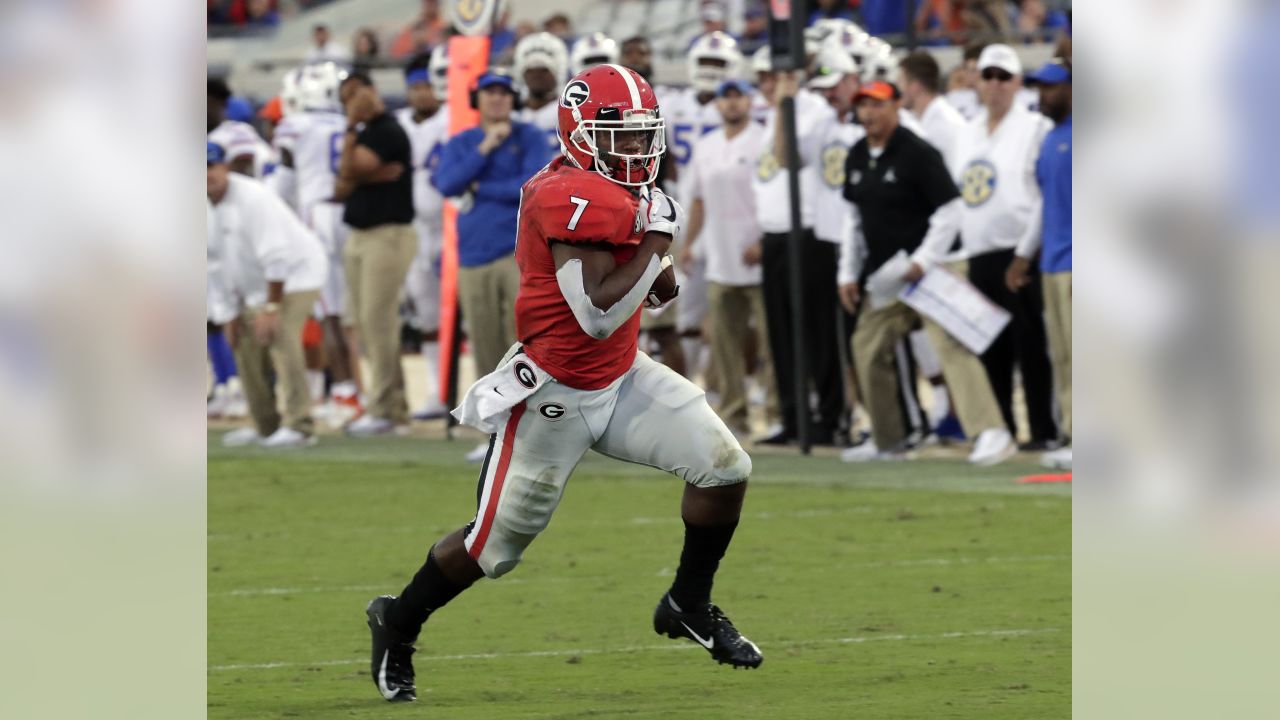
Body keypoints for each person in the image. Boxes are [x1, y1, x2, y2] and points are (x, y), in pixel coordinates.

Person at [363, 64, 761, 704]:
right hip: (552, 393)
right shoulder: (564, 193)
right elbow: (598, 313)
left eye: (643, 137)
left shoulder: (616, 188)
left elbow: (651, 287)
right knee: (493, 547)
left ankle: (688, 601)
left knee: (724, 468)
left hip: (621, 376)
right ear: (580, 131)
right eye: (621, 138)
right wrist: (657, 237)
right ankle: (398, 619)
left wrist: (652, 256)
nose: (636, 151)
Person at [838, 81, 1015, 464]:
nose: (868, 113)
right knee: (866, 346)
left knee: (951, 344)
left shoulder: (917, 151)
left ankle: (991, 432)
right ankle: (891, 439)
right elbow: (853, 219)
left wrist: (924, 259)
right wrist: (846, 273)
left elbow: (950, 209)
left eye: (877, 105)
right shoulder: (856, 155)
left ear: (898, 106)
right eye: (863, 105)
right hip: (888, 274)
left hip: (935, 268)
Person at [432, 71, 552, 460]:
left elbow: (530, 185)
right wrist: (486, 147)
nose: (497, 100)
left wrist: (481, 187)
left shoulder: (529, 136)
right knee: (484, 345)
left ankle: (536, 428)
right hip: (473, 255)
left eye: (504, 93)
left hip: (518, 253)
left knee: (524, 344)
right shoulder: (465, 142)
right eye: (490, 93)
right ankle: (496, 432)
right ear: (476, 99)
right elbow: (447, 182)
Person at [953, 44, 1058, 449]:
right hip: (978, 252)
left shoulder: (1034, 127)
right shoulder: (967, 131)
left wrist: (1023, 253)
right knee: (990, 349)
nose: (995, 85)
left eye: (1003, 77)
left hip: (1020, 251)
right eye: (988, 76)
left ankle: (1043, 431)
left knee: (1032, 346)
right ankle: (1003, 432)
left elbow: (1042, 193)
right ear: (977, 82)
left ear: (1017, 83)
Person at [207, 142, 328, 448]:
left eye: (211, 166)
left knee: (280, 335)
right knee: (242, 343)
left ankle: (299, 426)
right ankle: (266, 426)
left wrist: (272, 308)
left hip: (297, 274)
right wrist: (228, 313)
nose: (206, 175)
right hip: (252, 285)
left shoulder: (253, 198)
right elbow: (210, 265)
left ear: (224, 167)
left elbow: (277, 255)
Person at [753, 55, 842, 446]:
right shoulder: (764, 119)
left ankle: (830, 414)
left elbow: (786, 157)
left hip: (807, 232)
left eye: (774, 76)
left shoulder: (815, 112)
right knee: (781, 332)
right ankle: (793, 415)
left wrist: (787, 104)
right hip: (774, 236)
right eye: (764, 77)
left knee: (817, 330)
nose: (769, 84)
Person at [681, 78, 778, 437]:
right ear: (718, 104)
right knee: (724, 344)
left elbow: (775, 193)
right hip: (720, 259)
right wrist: (689, 243)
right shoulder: (706, 146)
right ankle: (735, 414)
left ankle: (774, 411)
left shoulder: (763, 140)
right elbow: (698, 199)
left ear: (749, 102)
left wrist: (765, 240)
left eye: (739, 97)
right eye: (727, 97)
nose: (733, 104)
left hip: (757, 258)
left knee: (771, 342)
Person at [273, 63, 366, 425]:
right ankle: (353, 390)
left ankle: (345, 391)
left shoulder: (293, 126)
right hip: (349, 213)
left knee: (328, 310)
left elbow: (282, 183)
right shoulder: (343, 122)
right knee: (346, 312)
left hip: (317, 214)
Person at [335, 73, 417, 436]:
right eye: (345, 99)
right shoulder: (364, 134)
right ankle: (392, 405)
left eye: (355, 94)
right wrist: (360, 172)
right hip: (359, 234)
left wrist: (355, 161)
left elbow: (350, 170)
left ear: (372, 91)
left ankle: (383, 408)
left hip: (388, 234)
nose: (351, 102)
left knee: (378, 321)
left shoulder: (386, 130)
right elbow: (340, 182)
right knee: (365, 323)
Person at [1007, 57, 1072, 469]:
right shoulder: (1049, 139)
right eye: (1039, 88)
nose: (1042, 96)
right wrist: (1023, 256)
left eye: (1051, 87)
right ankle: (1075, 434)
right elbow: (1046, 203)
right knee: (1063, 357)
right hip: (1051, 260)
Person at [395, 59, 451, 420]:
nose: (421, 93)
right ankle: (437, 390)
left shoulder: (451, 118)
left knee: (461, 313)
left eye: (426, 85)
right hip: (414, 226)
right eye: (415, 86)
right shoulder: (399, 123)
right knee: (427, 312)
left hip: (449, 226)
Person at [513, 32, 570, 154]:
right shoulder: (512, 114)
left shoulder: (571, 113)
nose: (536, 76)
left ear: (558, 73)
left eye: (543, 70)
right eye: (531, 70)